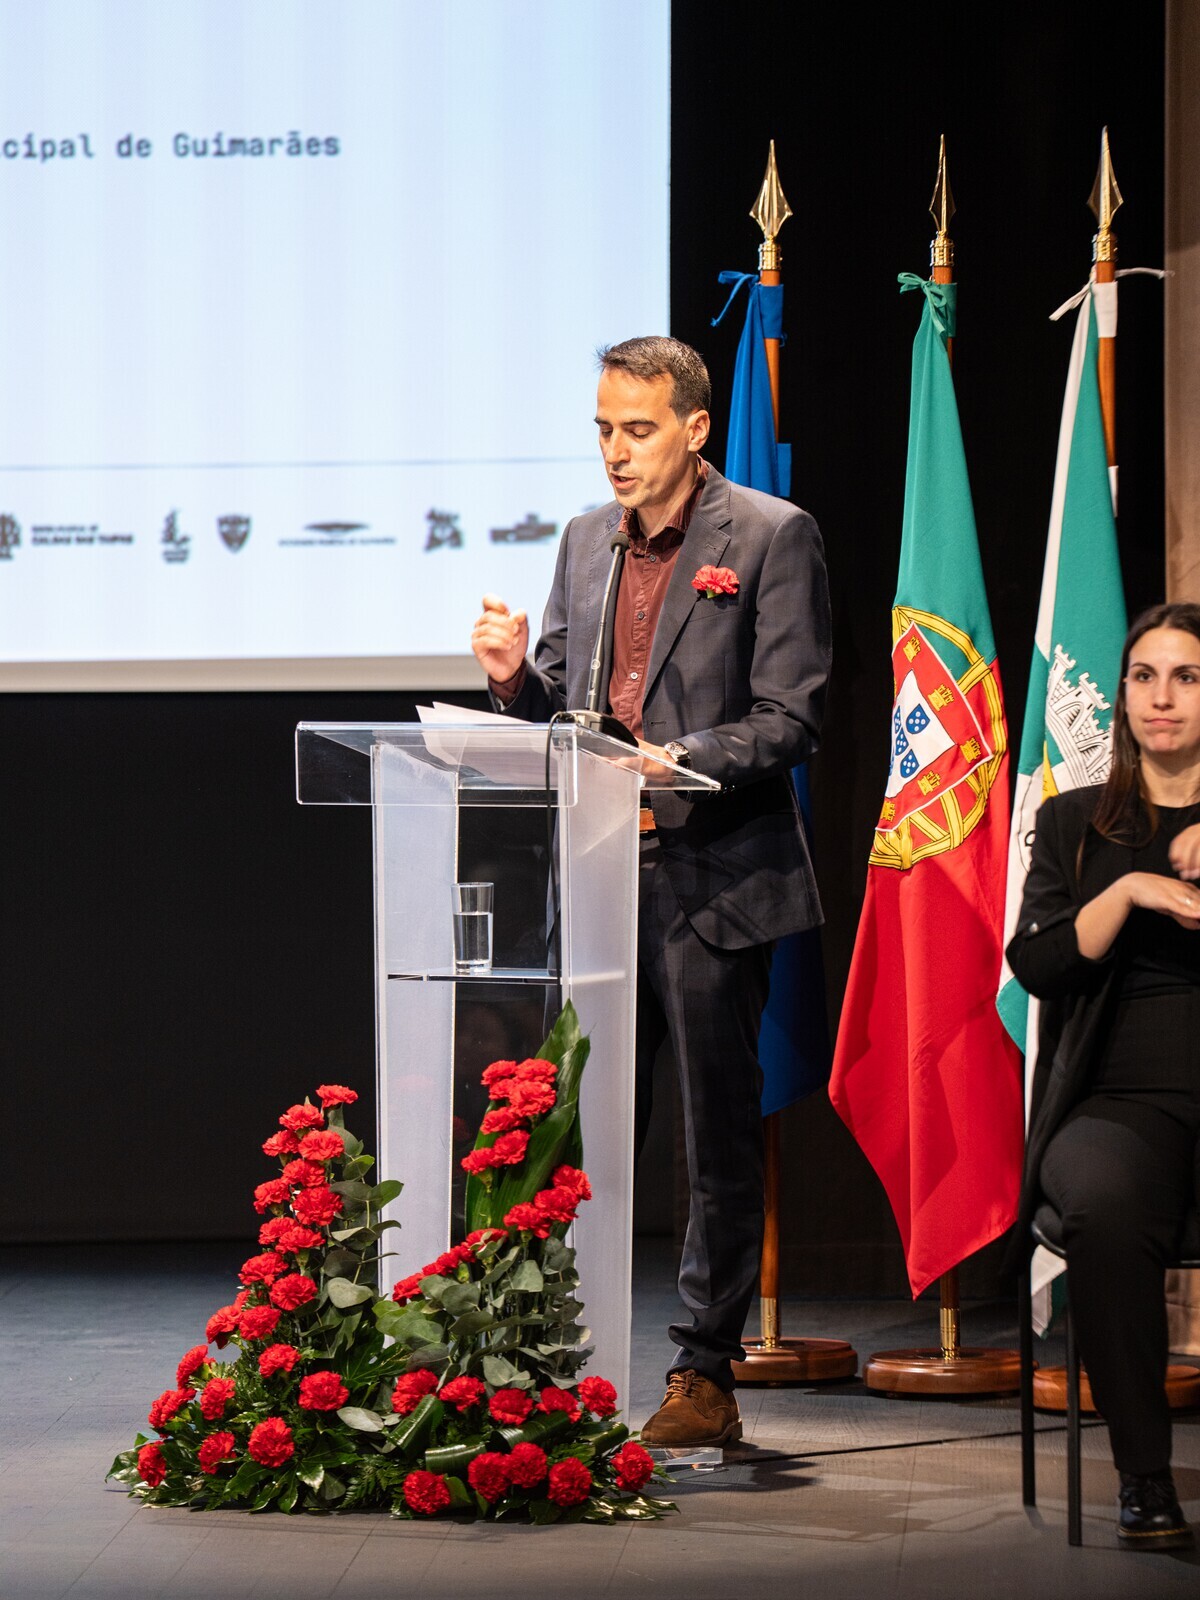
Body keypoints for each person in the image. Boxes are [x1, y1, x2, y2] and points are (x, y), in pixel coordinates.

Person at [470, 336, 830, 1448]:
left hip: (712, 876)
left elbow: (791, 716)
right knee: (569, 1125)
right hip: (598, 877)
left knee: (710, 1135)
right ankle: (542, 1353)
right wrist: (513, 682)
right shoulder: (586, 540)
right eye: (603, 430)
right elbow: (566, 711)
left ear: (694, 427)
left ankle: (703, 1373)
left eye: (637, 428)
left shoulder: (770, 536)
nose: (615, 452)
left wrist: (680, 759)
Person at [1008, 601, 1200, 1551]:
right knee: (1106, 1207)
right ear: (1121, 695)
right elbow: (1039, 963)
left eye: (1187, 677)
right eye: (1145, 677)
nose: (1163, 697)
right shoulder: (1075, 822)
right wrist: (1127, 890)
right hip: (1117, 1107)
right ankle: (1145, 1477)